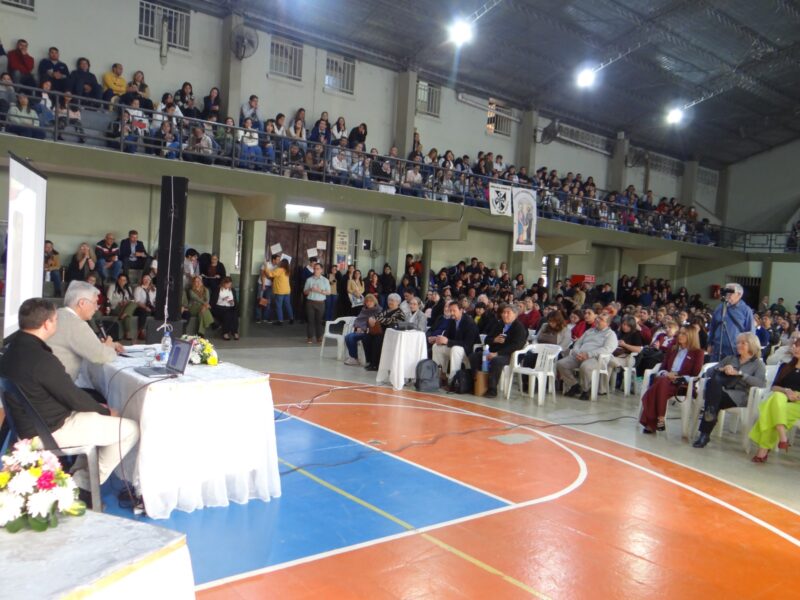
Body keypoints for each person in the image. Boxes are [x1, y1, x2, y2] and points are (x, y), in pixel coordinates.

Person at [0, 298, 139, 508]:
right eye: (56, 320)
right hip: (49, 430)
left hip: (31, 423)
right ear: (47, 324)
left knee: (94, 417)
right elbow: (71, 396)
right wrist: (106, 411)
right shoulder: (41, 358)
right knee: (129, 428)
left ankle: (80, 477)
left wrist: (97, 411)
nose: (56, 324)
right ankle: (82, 486)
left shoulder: (10, 349)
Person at [49, 281, 123, 402]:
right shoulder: (75, 324)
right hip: (58, 394)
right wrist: (109, 347)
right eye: (95, 303)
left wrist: (110, 345)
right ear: (82, 303)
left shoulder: (58, 314)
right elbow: (101, 356)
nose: (97, 308)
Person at [693, 332, 766, 448]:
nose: (738, 345)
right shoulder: (730, 358)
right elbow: (709, 371)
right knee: (713, 386)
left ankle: (704, 433)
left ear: (752, 345)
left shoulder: (758, 364)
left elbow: (761, 383)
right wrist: (722, 368)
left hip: (739, 396)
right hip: (720, 391)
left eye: (743, 343)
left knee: (712, 400)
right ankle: (705, 432)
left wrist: (741, 374)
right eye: (738, 343)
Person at [639, 327, 704, 433]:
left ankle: (653, 422)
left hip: (681, 385)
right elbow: (662, 369)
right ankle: (660, 418)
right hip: (665, 381)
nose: (680, 336)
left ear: (691, 337)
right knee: (662, 381)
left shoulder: (698, 353)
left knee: (656, 387)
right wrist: (666, 374)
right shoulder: (672, 349)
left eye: (684, 334)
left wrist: (678, 376)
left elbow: (695, 375)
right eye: (679, 333)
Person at [749, 338, 800, 462]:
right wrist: (786, 391)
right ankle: (782, 436)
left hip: (798, 402)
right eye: (795, 345)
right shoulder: (785, 366)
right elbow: (775, 386)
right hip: (782, 397)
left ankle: (763, 450)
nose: (795, 348)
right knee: (777, 398)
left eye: (799, 346)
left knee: (771, 410)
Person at [468, 304, 528, 398]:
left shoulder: (519, 328)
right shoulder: (499, 324)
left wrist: (497, 353)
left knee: (496, 360)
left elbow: (516, 346)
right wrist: (494, 340)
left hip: (509, 355)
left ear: (515, 315)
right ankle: (476, 383)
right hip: (493, 351)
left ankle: (492, 389)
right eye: (504, 312)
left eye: (508, 313)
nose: (505, 315)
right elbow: (487, 339)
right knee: (474, 356)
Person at [556, 311, 618, 400]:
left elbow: (607, 349)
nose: (597, 320)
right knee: (561, 364)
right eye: (597, 318)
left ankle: (586, 390)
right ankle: (574, 385)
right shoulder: (590, 331)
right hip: (580, 355)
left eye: (601, 319)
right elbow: (578, 343)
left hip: (596, 358)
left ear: (607, 323)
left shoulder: (611, 334)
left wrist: (588, 354)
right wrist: (578, 353)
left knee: (585, 367)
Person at [432, 301, 479, 381]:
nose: (452, 313)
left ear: (461, 310)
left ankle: (453, 379)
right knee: (436, 347)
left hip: (468, 351)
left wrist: (447, 341)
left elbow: (467, 344)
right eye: (450, 311)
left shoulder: (469, 323)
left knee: (455, 349)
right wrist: (438, 339)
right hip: (455, 347)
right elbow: (447, 337)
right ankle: (439, 376)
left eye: (454, 311)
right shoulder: (451, 321)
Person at [707, 283, 754, 362]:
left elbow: (750, 332)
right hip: (717, 347)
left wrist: (747, 349)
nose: (727, 295)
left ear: (739, 294)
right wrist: (710, 343)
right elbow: (713, 327)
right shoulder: (719, 307)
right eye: (726, 292)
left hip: (734, 349)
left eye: (730, 292)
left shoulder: (746, 310)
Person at [362, 293, 406, 371]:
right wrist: (371, 318)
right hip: (380, 332)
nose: (390, 302)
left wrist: (376, 319)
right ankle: (370, 361)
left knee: (377, 340)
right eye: (389, 300)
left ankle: (376, 364)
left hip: (391, 333)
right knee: (366, 338)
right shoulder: (386, 310)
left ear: (398, 302)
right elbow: (376, 316)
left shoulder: (400, 313)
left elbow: (389, 321)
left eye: (393, 300)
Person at [344, 294, 381, 365]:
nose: (369, 303)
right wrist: (358, 327)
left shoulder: (378, 310)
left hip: (369, 332)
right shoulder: (364, 310)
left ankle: (354, 358)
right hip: (360, 330)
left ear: (374, 302)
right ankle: (354, 358)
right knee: (347, 337)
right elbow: (358, 320)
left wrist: (363, 328)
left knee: (351, 337)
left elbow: (375, 322)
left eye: (371, 301)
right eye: (367, 301)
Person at [303, 262, 331, 344]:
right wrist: (310, 289)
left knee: (319, 321)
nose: (315, 270)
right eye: (314, 268)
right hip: (310, 302)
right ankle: (309, 337)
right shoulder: (309, 279)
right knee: (310, 321)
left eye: (317, 269)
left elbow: (329, 292)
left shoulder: (325, 280)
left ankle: (319, 337)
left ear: (321, 270)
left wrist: (320, 291)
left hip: (320, 303)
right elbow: (305, 292)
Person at [107, 273, 137, 341]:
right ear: (118, 280)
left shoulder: (128, 288)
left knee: (134, 303)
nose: (122, 281)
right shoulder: (112, 287)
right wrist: (118, 302)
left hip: (125, 307)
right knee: (128, 313)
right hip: (115, 307)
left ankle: (124, 314)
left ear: (126, 281)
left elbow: (131, 299)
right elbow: (108, 299)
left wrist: (126, 302)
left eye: (124, 280)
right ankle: (127, 333)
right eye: (121, 280)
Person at [266, 258, 293, 325]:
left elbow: (270, 274)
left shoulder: (279, 270)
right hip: (287, 291)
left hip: (280, 291)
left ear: (282, 263)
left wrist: (266, 266)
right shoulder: (287, 270)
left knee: (279, 306)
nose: (279, 262)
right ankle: (291, 318)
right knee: (288, 305)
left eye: (280, 262)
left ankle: (280, 321)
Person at [212, 276, 239, 340]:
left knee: (234, 314)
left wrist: (232, 302)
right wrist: (223, 300)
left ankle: (235, 332)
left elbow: (235, 302)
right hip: (219, 307)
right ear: (224, 283)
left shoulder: (232, 290)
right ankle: (225, 333)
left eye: (230, 284)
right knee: (227, 314)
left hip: (229, 307)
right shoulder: (218, 290)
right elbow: (213, 302)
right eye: (228, 284)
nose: (229, 286)